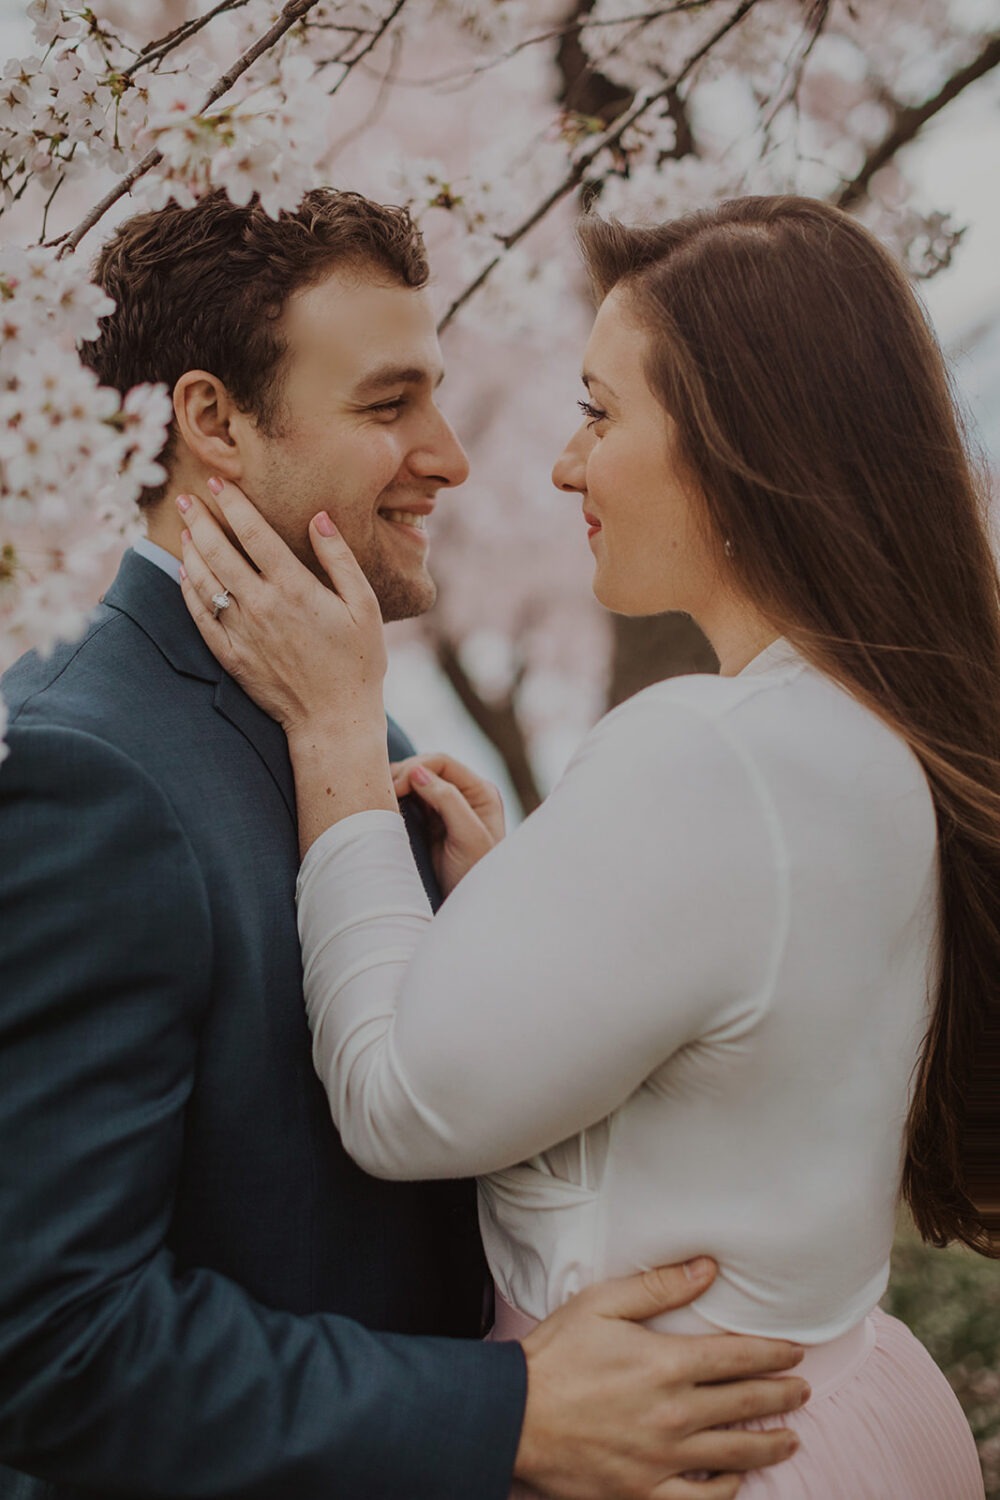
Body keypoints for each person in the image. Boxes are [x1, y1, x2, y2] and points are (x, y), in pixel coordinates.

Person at [175, 195, 999, 1500]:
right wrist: (518, 905)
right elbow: (732, 1013)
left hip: (689, 1460)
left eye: (603, 412)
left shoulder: (706, 751)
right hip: (851, 1416)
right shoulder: (873, 733)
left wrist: (336, 735)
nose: (562, 465)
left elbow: (395, 1109)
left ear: (742, 447)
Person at [0, 189, 810, 1500]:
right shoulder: (84, 773)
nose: (451, 454)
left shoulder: (346, 717)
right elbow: (54, 1340)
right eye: (389, 407)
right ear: (212, 423)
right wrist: (509, 1414)